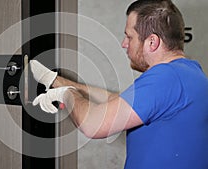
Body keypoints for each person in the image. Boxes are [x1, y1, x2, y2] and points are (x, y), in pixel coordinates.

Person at [30, 0, 208, 168]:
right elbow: (118, 102)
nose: (124, 44)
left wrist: (65, 94)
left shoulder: (165, 77)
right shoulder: (190, 73)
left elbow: (93, 124)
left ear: (152, 42)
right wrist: (56, 81)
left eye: (130, 37)